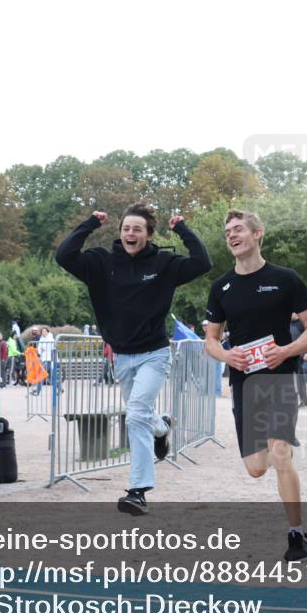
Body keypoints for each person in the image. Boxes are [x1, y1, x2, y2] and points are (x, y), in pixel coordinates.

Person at [57, 203, 212, 516]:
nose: (131, 233)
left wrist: (182, 228)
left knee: (135, 415)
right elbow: (64, 255)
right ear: (120, 232)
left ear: (148, 235)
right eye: (126, 228)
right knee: (140, 415)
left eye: (137, 229)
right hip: (122, 357)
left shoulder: (164, 262)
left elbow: (202, 262)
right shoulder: (100, 262)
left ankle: (138, 490)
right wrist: (88, 224)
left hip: (154, 354)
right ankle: (162, 426)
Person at [204, 209, 307, 561]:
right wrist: (227, 357)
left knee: (281, 453)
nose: (231, 235)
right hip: (244, 382)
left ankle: (297, 534)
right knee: (256, 468)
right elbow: (210, 339)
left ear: (258, 234)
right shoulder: (221, 286)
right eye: (227, 232)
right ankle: (276, 452)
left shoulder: (285, 279)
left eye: (238, 229)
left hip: (281, 376)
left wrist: (285, 350)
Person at [290, 313, 307, 407]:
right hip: (287, 353)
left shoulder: (302, 323)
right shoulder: (287, 323)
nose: (292, 314)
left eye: (294, 312)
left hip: (299, 354)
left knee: (299, 378)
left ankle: (303, 400)